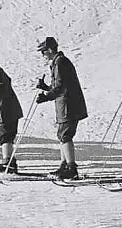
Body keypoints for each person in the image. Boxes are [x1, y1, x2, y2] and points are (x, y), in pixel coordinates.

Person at [35, 36, 88, 180]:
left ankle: (71, 167)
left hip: (68, 106)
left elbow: (60, 87)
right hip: (65, 105)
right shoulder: (58, 62)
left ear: (51, 50)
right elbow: (58, 85)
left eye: (44, 51)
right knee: (62, 135)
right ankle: (64, 165)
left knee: (65, 135)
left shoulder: (60, 63)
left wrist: (46, 96)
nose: (43, 55)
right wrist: (45, 88)